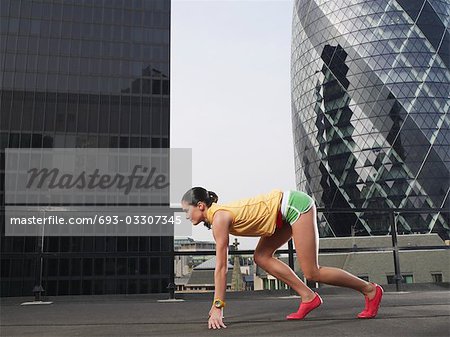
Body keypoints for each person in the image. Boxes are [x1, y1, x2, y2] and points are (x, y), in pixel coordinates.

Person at [181, 187, 383, 330]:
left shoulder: (219, 218)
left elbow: (221, 267)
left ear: (199, 206)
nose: (186, 216)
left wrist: (218, 307)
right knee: (261, 257)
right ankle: (308, 297)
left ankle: (370, 290)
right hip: (279, 217)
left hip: (294, 206)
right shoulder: (217, 216)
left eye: (186, 211)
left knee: (312, 271)